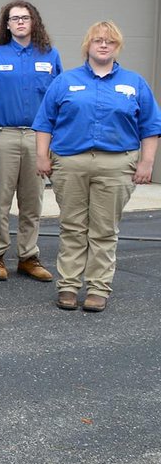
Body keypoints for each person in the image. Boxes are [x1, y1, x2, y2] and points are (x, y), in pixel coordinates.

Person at [33, 21, 160, 313]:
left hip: (116, 164)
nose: (104, 45)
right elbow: (45, 122)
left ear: (118, 47)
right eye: (98, 40)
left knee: (104, 229)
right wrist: (41, 156)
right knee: (72, 227)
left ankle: (98, 288)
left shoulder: (134, 83)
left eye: (110, 41)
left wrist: (147, 162)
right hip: (71, 162)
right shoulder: (65, 81)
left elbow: (150, 126)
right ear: (87, 45)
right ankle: (68, 286)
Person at [0, 0, 61, 284]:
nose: (20, 22)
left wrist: (54, 139)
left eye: (25, 17)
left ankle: (28, 257)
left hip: (38, 138)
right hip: (4, 135)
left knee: (32, 201)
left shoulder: (50, 55)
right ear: (8, 25)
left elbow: (58, 101)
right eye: (15, 18)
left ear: (33, 22)